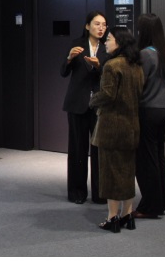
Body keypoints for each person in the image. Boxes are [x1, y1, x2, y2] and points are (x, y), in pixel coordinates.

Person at [89, 27, 143, 233]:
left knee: (110, 173)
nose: (106, 42)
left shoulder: (112, 65)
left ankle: (112, 218)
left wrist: (92, 99)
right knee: (127, 172)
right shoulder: (136, 66)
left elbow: (108, 95)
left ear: (119, 42)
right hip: (131, 127)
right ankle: (127, 214)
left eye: (109, 39)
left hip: (112, 128)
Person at [60, 11, 109, 204]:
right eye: (97, 24)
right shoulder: (77, 44)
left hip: (99, 106)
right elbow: (63, 72)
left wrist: (99, 66)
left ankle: (100, 194)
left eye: (104, 25)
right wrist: (69, 58)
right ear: (87, 26)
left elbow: (111, 76)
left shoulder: (107, 47)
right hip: (77, 104)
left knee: (99, 151)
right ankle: (77, 192)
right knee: (77, 150)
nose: (101, 28)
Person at [133, 13, 165, 219]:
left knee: (146, 160)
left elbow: (137, 84)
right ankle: (160, 202)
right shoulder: (164, 52)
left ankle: (149, 206)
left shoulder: (144, 55)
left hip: (148, 110)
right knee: (158, 157)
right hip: (164, 110)